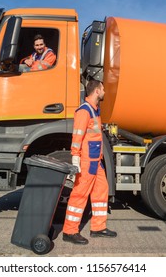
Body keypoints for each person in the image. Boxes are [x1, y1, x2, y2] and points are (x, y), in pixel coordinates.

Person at [62, 79, 117, 245]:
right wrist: (75, 157)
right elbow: (77, 136)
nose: (105, 92)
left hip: (96, 161)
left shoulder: (95, 111)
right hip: (86, 161)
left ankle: (98, 228)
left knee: (101, 190)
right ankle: (69, 231)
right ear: (96, 91)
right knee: (79, 194)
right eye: (103, 89)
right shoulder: (84, 111)